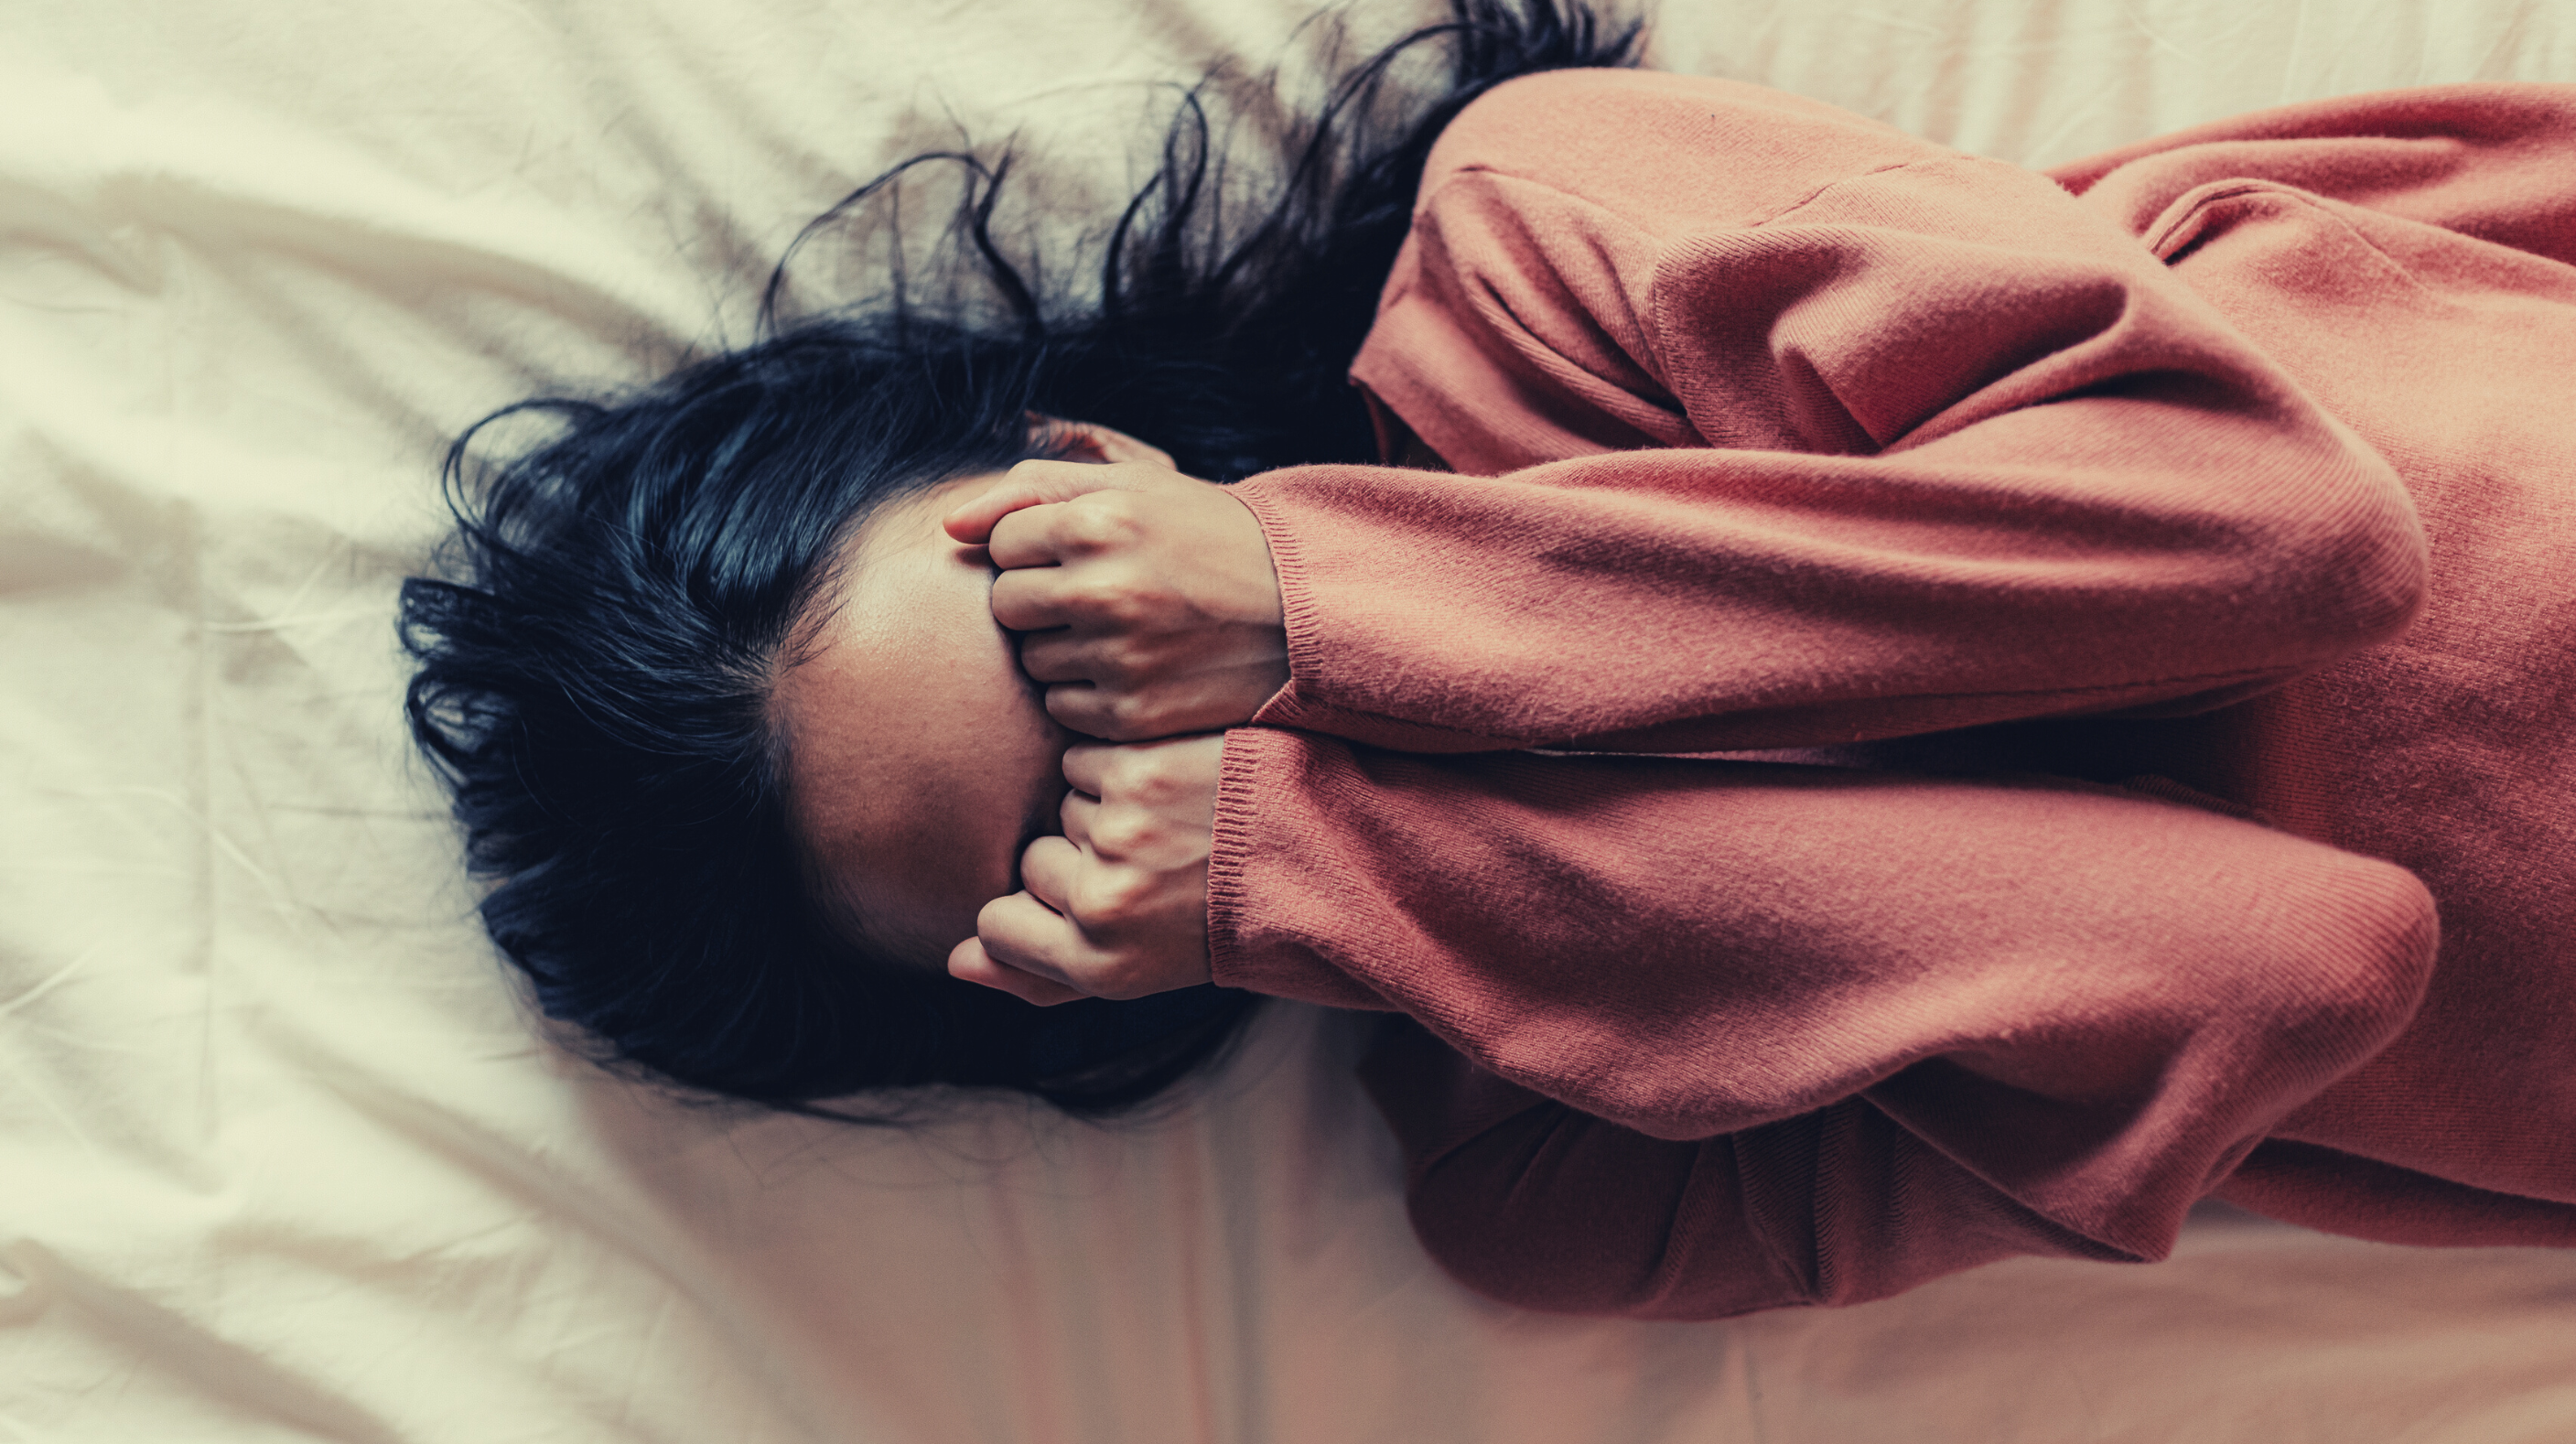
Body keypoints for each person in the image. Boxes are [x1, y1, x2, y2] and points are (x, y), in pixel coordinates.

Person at [403, 0, 2576, 1318]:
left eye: (1063, 631)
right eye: (1081, 826)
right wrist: (1350, 851)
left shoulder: (1540, 253)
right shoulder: (1560, 1181)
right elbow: (2295, 961)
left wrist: (1325, 596)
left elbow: (2277, 532)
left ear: (1084, 456)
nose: (1165, 734)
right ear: (1083, 976)